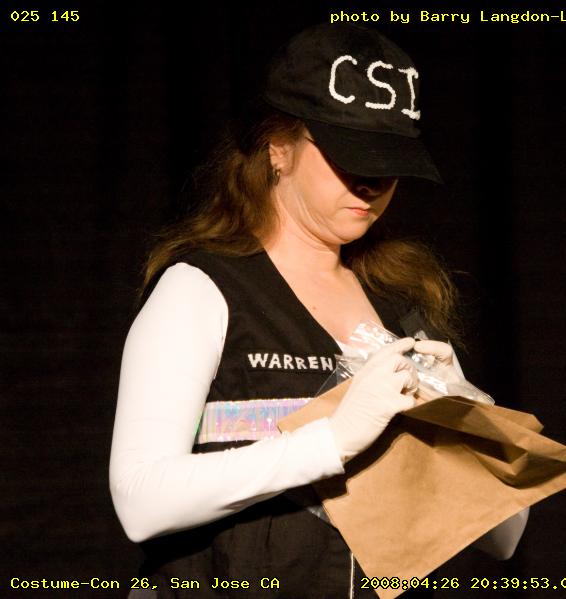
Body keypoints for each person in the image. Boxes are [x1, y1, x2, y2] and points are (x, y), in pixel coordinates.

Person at [110, 23, 528, 599]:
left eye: (389, 161)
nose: (371, 183)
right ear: (277, 148)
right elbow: (140, 500)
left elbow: (502, 538)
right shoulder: (202, 289)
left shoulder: (403, 309)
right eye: (347, 155)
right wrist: (332, 440)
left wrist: (471, 428)